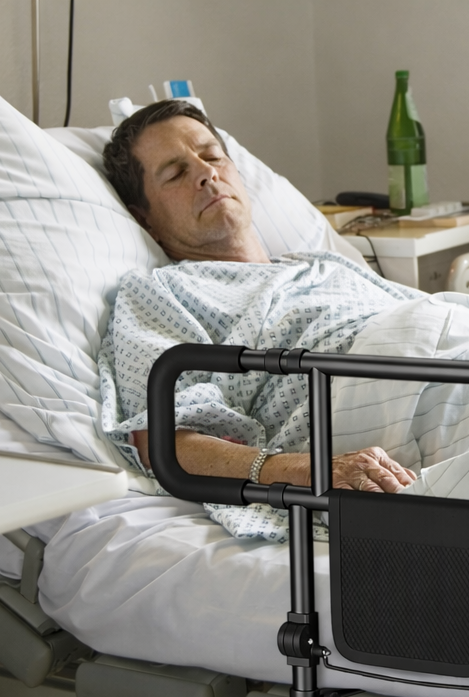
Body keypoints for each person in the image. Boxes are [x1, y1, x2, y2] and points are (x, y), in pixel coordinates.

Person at [102, 100, 415, 494]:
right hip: (394, 405)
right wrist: (301, 470)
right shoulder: (161, 293)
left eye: (212, 156)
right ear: (144, 217)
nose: (206, 173)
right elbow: (161, 439)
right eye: (176, 173)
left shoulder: (322, 264)